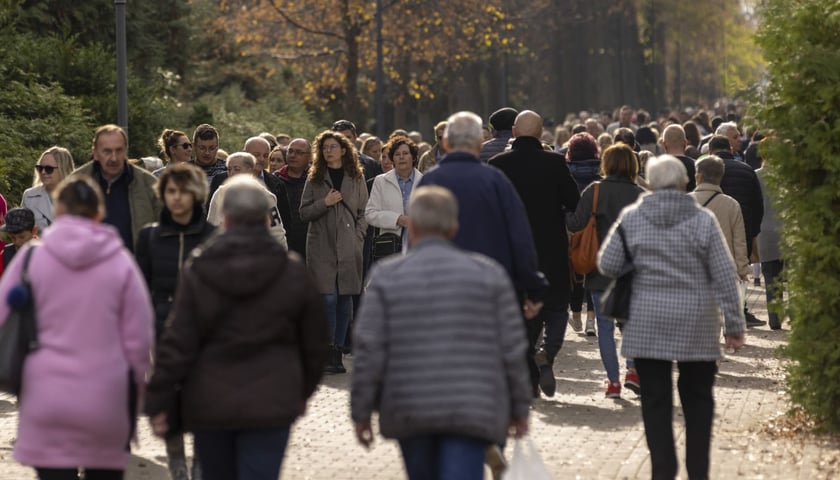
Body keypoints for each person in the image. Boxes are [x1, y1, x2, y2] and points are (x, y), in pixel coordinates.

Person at [144, 175, 328, 480]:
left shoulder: (200, 267)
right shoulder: (292, 272)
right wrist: (301, 391)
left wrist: (160, 400)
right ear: (267, 219)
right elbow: (315, 343)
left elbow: (179, 339)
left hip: (210, 401)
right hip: (272, 401)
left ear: (225, 219)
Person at [351, 186, 530, 480]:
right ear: (454, 227)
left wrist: (361, 411)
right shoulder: (488, 274)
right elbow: (511, 347)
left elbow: (369, 348)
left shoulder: (386, 276)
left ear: (414, 225)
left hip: (409, 405)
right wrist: (519, 405)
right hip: (472, 405)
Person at [598, 155, 746, 480]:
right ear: (684, 184)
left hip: (647, 320)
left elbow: (607, 263)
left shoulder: (632, 217)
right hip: (698, 322)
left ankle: (662, 471)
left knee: (655, 401)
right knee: (698, 400)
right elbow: (724, 274)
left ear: (649, 184)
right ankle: (698, 472)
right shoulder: (703, 219)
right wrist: (734, 326)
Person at [0, 175, 153, 480]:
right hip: (106, 397)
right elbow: (139, 338)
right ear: (98, 213)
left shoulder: (30, 259)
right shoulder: (119, 261)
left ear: (57, 212)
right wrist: (135, 396)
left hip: (46, 395)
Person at [417, 111, 547, 401]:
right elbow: (520, 237)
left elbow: (417, 240)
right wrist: (533, 286)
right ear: (478, 143)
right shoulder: (496, 182)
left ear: (446, 143)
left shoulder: (429, 183)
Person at [488, 110, 580, 398]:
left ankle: (529, 381)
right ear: (541, 134)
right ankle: (548, 353)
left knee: (521, 315)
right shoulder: (554, 162)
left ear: (514, 132)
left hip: (513, 252)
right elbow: (573, 200)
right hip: (550, 248)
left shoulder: (497, 164)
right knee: (556, 308)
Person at [135, 163, 216, 480]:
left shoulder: (212, 236)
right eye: (171, 191)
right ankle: (177, 460)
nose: (177, 198)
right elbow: (142, 284)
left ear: (196, 194)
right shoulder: (150, 236)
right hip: (163, 327)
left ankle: (201, 459)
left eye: (183, 191)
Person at [566, 144, 645, 398]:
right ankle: (633, 369)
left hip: (600, 270)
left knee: (605, 328)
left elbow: (576, 223)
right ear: (633, 166)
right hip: (633, 273)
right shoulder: (642, 195)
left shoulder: (595, 191)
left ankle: (613, 383)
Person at [299, 130, 368, 374]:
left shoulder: (356, 176)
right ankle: (326, 348)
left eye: (333, 147)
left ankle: (338, 350)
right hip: (322, 246)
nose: (329, 151)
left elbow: (364, 212)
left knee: (344, 299)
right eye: (325, 147)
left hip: (349, 246)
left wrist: (358, 237)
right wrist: (324, 203)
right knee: (327, 297)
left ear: (344, 150)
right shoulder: (315, 178)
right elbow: (304, 213)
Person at [73, 124, 161, 252]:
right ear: (95, 153)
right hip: (88, 267)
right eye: (107, 151)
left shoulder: (149, 184)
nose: (114, 158)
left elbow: (165, 232)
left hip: (135, 267)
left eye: (119, 151)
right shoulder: (76, 183)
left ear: (126, 151)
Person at [206, 152, 288, 249]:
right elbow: (211, 229)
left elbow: (276, 233)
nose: (232, 173)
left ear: (250, 171)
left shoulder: (265, 196)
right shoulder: (219, 194)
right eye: (229, 169)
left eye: (237, 169)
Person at [689, 156, 750, 281]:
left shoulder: (685, 202)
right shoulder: (732, 204)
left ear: (699, 177)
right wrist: (742, 269)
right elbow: (739, 241)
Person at [565, 132, 601, 335]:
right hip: (596, 228)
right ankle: (591, 319)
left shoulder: (567, 173)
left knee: (576, 271)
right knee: (593, 272)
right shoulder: (599, 173)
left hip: (574, 227)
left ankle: (576, 315)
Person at [365, 136, 423, 257]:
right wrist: (397, 219)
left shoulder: (425, 181)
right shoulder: (380, 181)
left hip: (418, 244)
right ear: (392, 159)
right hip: (388, 246)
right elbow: (370, 214)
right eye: (397, 154)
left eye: (405, 153)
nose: (401, 157)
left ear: (413, 157)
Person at [21, 147, 76, 232]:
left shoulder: (80, 197)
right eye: (40, 168)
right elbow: (22, 231)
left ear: (63, 169)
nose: (43, 172)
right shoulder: (29, 196)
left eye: (49, 169)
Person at [277, 138, 312, 258]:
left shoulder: (318, 180)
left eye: (299, 152)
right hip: (283, 242)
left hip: (311, 243)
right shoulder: (275, 180)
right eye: (290, 151)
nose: (293, 155)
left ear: (310, 157)